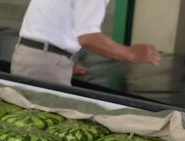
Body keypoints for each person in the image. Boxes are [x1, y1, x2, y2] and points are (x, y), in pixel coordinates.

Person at [11, 0, 161, 86]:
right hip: (43, 63)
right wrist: (131, 54)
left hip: (37, 57)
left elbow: (53, 24)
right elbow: (88, 37)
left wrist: (62, 60)